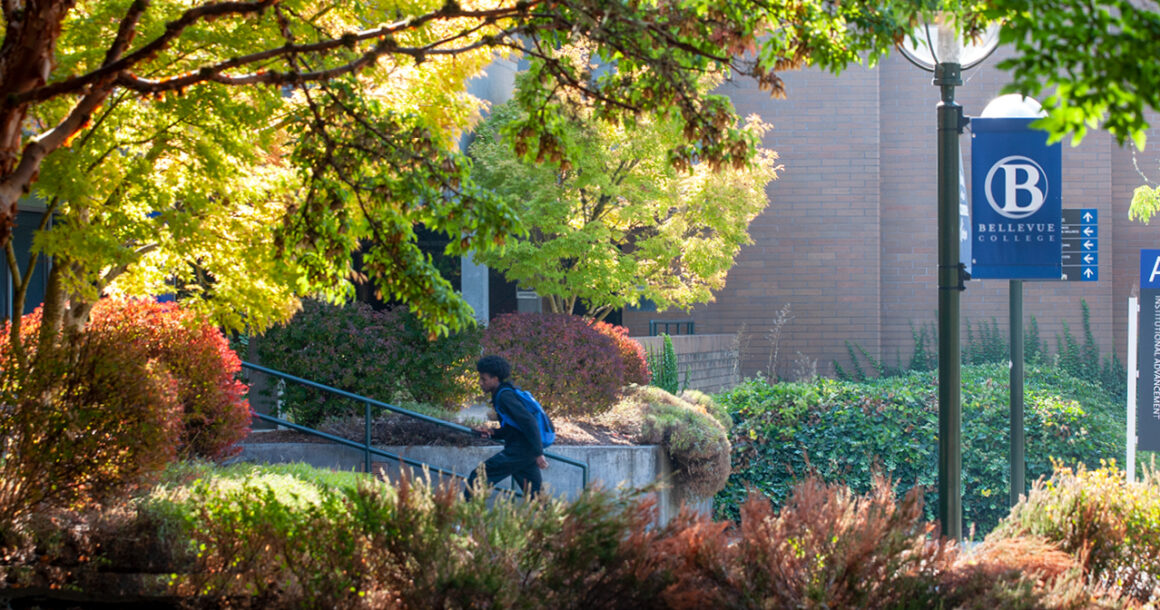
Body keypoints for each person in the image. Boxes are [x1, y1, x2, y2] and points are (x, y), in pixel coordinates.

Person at [465, 355, 549, 500]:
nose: (480, 383)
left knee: (478, 477)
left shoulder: (505, 396)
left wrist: (538, 453)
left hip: (521, 450)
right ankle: (553, 522)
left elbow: (529, 422)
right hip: (524, 450)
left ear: (495, 379)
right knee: (536, 496)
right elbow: (513, 428)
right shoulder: (502, 394)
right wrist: (492, 433)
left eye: (484, 379)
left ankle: (464, 520)